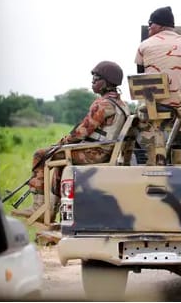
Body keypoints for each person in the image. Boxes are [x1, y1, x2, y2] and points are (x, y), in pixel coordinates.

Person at [12, 60, 130, 219]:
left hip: (94, 153)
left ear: (107, 82)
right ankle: (51, 210)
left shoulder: (102, 104)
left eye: (97, 78)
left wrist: (62, 142)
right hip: (102, 151)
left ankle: (38, 207)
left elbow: (80, 133)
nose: (93, 81)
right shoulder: (121, 104)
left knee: (40, 155)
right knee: (59, 160)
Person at [134, 6, 181, 165]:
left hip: (150, 105)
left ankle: (154, 157)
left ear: (160, 25)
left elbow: (141, 79)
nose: (149, 28)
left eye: (151, 24)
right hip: (180, 105)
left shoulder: (144, 46)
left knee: (142, 121)